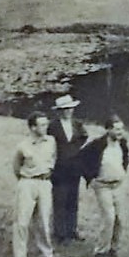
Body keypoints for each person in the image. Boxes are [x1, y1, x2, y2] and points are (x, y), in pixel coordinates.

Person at [80, 116, 129, 257]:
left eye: (121, 128)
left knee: (120, 218)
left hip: (118, 185)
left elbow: (125, 158)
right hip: (103, 186)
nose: (120, 132)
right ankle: (101, 251)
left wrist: (122, 172)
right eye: (116, 129)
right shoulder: (98, 144)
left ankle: (113, 249)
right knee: (109, 217)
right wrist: (91, 178)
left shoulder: (123, 143)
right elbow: (82, 158)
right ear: (108, 130)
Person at [12, 112, 57, 257]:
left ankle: (46, 252)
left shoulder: (51, 141)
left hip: (45, 183)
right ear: (33, 127)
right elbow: (16, 167)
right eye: (42, 125)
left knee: (44, 219)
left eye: (46, 124)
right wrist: (26, 179)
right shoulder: (23, 146)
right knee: (22, 221)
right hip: (27, 183)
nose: (46, 127)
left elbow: (53, 158)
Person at [48, 94, 88, 244]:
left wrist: (76, 149)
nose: (68, 112)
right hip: (59, 169)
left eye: (70, 109)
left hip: (74, 168)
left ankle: (72, 230)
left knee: (73, 199)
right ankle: (60, 233)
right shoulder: (53, 126)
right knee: (60, 199)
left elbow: (84, 136)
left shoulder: (77, 124)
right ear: (59, 111)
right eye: (65, 109)